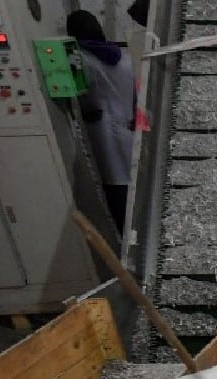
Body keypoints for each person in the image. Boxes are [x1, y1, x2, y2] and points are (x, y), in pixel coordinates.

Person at [66, 10, 135, 231]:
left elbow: (75, 96)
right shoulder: (122, 56)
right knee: (129, 191)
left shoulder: (80, 58)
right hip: (127, 131)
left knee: (116, 197)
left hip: (104, 136)